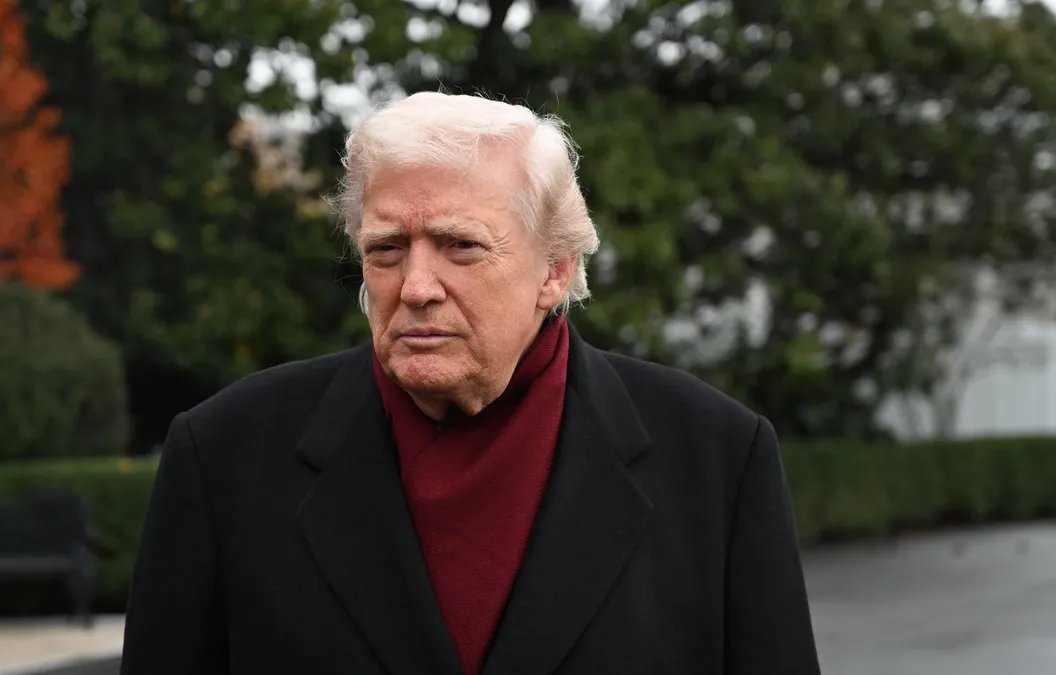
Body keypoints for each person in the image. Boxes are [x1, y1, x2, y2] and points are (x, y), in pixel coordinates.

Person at [120, 92, 820, 675]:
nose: (416, 287)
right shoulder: (225, 454)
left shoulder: (717, 457)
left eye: (461, 246)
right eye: (387, 249)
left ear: (554, 269)